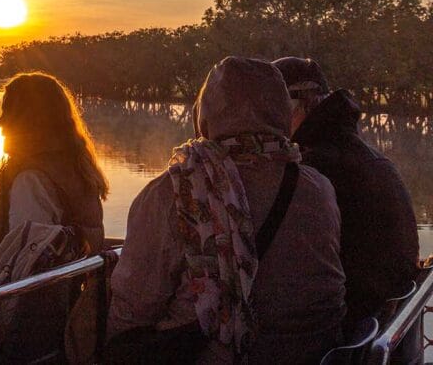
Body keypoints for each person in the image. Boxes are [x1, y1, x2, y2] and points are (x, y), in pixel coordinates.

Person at [108, 57, 345, 364]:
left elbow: (134, 308)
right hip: (315, 354)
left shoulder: (175, 192)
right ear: (281, 113)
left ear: (203, 117)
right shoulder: (319, 188)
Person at [273, 56, 418, 322]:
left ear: (293, 105)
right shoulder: (360, 154)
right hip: (381, 320)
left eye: (271, 107)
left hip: (347, 326)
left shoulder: (313, 170)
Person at [0, 72, 108, 275]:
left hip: (31, 302)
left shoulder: (32, 182)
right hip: (77, 298)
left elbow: (27, 272)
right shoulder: (76, 169)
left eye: (8, 113)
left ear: (31, 122)